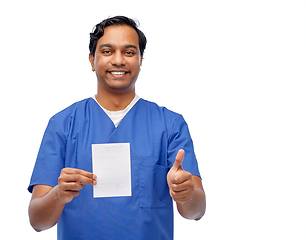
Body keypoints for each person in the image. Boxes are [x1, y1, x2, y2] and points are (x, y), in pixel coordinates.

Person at [28, 16, 206, 240]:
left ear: (141, 59)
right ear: (92, 60)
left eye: (129, 52)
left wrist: (186, 193)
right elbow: (37, 221)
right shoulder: (63, 124)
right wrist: (58, 195)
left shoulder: (169, 125)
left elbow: (197, 211)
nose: (119, 60)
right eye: (107, 51)